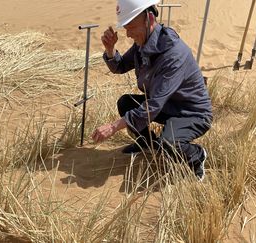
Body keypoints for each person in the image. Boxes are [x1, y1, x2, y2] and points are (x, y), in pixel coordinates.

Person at [91, 0, 212, 180]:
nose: (128, 34)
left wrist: (113, 126)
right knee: (126, 103)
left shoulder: (173, 54)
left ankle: (196, 156)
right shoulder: (143, 43)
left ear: (148, 18)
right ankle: (147, 143)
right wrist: (110, 50)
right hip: (168, 105)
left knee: (169, 143)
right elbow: (121, 66)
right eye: (126, 27)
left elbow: (153, 105)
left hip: (192, 112)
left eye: (131, 27)